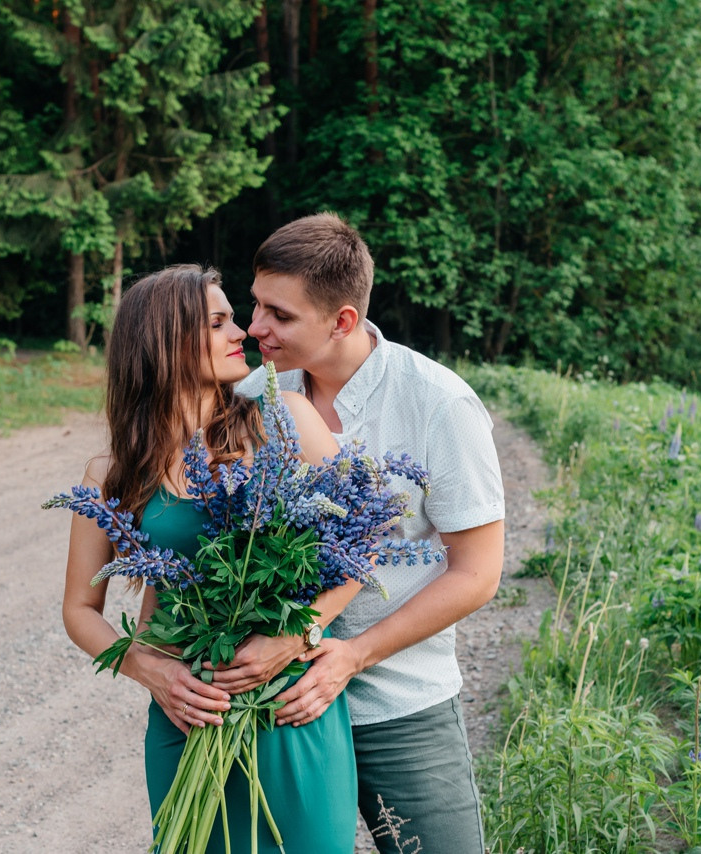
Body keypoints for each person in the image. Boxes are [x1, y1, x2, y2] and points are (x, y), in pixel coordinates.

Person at [228, 213, 506, 853]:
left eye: (279, 315)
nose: (254, 328)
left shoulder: (440, 405)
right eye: (254, 305)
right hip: (273, 704)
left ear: (343, 321)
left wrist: (353, 655)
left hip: (401, 706)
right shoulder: (250, 396)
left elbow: (479, 572)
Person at [60, 264, 361, 853]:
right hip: (187, 711)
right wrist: (152, 672)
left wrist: (298, 634)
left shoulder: (284, 421)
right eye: (219, 322)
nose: (242, 333)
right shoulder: (114, 472)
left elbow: (364, 545)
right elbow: (79, 608)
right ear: (166, 341)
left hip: (287, 707)